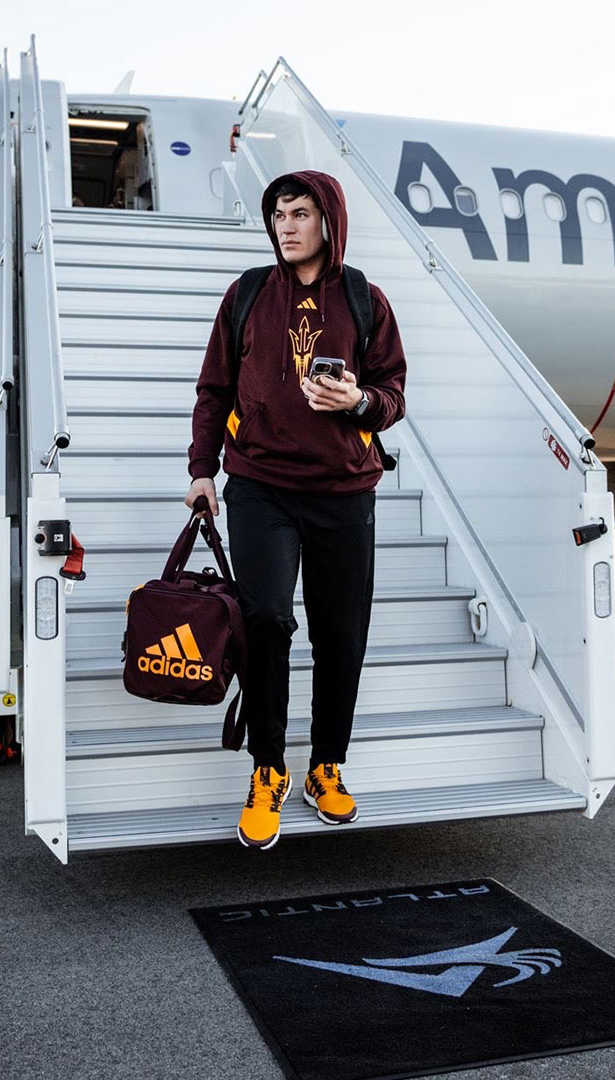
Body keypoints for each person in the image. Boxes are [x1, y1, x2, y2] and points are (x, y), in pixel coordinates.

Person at [185, 170, 407, 850]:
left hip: (345, 490)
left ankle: (326, 767)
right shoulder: (247, 294)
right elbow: (214, 388)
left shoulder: (365, 299)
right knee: (266, 620)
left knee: (342, 634)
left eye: (300, 214)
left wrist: (360, 403)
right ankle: (268, 769)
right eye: (278, 214)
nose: (286, 226)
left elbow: (393, 393)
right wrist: (201, 470)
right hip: (260, 485)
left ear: (328, 222)